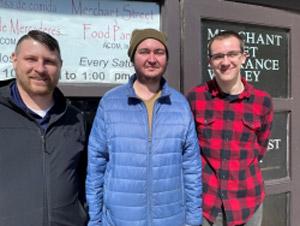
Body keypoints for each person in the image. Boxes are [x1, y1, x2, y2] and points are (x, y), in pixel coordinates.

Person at [86, 28, 202, 226]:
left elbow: (191, 168)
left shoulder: (180, 104)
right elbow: (96, 165)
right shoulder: (111, 103)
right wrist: (95, 220)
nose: (152, 58)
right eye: (144, 52)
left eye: (159, 52)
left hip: (171, 219)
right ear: (132, 59)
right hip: (119, 220)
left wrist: (193, 220)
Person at [0, 30, 88, 226]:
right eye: (31, 59)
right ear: (14, 60)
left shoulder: (75, 119)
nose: (40, 68)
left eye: (48, 61)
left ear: (60, 66)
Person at [187, 30, 273, 226]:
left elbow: (260, 147)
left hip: (247, 201)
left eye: (232, 54)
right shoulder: (196, 97)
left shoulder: (262, 101)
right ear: (210, 62)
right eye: (218, 56)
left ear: (243, 58)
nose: (225, 62)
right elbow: (189, 149)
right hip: (207, 201)